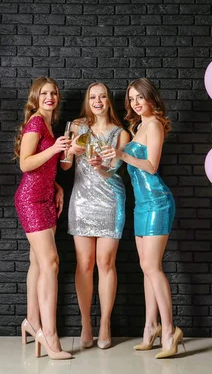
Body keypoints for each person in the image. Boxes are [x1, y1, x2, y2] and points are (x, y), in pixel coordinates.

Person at [102, 78, 184, 358]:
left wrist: (122, 154)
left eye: (140, 98)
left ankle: (170, 331)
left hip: (157, 201)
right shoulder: (138, 127)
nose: (136, 103)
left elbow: (151, 166)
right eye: (132, 99)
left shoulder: (154, 125)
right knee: (146, 267)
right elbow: (124, 164)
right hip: (141, 204)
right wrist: (108, 162)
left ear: (151, 98)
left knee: (152, 266)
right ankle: (151, 328)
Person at [61, 82, 130, 349]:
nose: (97, 101)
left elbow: (113, 171)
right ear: (88, 101)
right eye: (93, 97)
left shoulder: (120, 134)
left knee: (106, 264)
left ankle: (105, 325)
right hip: (81, 200)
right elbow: (65, 166)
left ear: (109, 101)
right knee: (85, 264)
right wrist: (70, 151)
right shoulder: (78, 127)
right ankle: (86, 325)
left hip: (110, 200)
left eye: (102, 96)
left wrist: (101, 166)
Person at [14, 77, 72, 360]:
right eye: (44, 93)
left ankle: (31, 322)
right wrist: (54, 148)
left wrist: (57, 186)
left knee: (37, 262)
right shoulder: (36, 123)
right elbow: (25, 164)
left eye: (54, 93)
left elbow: (46, 167)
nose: (50, 97)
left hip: (47, 198)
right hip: (30, 201)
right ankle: (49, 335)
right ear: (36, 98)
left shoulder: (49, 125)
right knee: (51, 262)